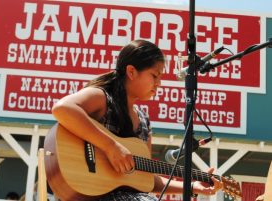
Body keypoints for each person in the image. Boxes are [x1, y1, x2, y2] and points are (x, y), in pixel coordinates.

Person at [52, 39, 222, 200]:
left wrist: (191, 186)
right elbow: (63, 109)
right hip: (90, 192)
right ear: (131, 72)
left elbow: (145, 179)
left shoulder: (143, 121)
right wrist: (111, 147)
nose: (159, 83)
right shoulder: (102, 97)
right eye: (154, 75)